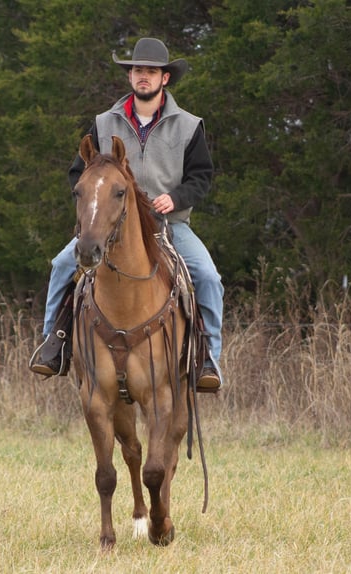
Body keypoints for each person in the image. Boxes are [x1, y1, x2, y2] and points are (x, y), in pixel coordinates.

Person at [29, 37, 223, 392]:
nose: (143, 77)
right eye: (137, 71)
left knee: (208, 277)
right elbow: (79, 173)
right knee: (61, 266)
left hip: (169, 225)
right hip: (108, 225)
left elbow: (202, 176)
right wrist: (97, 205)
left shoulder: (189, 126)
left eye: (150, 71)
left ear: (165, 78)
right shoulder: (104, 123)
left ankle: (207, 358)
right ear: (130, 77)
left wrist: (176, 198)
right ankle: (53, 344)